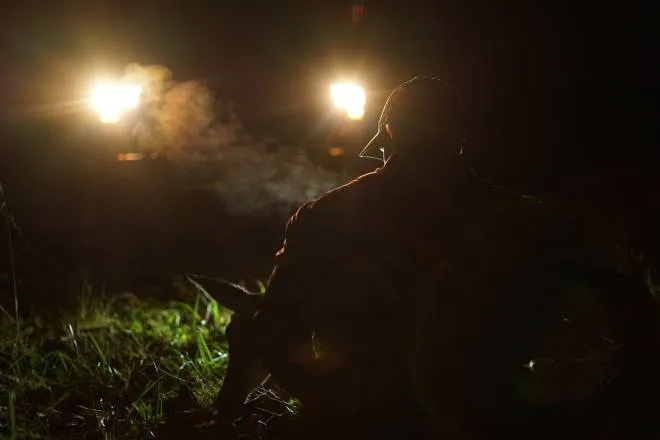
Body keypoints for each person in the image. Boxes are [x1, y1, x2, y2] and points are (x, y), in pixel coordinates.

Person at [205, 76, 657, 439]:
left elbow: (274, 332)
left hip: (368, 418)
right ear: (462, 135)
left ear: (389, 132)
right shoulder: (521, 218)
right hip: (494, 415)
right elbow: (611, 316)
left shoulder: (324, 215)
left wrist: (330, 402)